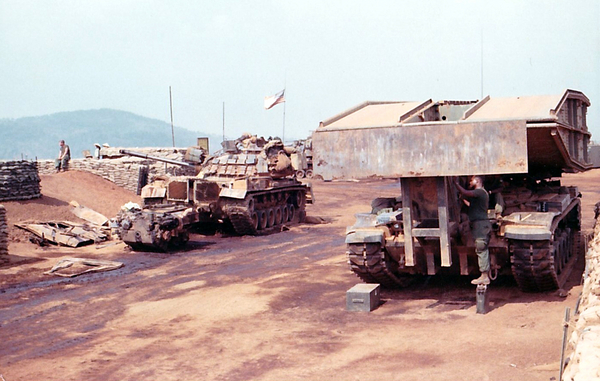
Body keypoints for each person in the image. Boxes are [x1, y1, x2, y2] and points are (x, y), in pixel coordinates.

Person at [454, 175, 492, 285]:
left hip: (480, 224)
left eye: (472, 180)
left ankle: (484, 276)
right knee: (480, 248)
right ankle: (484, 275)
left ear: (477, 181)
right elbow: (472, 205)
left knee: (481, 248)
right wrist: (463, 199)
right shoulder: (480, 194)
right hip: (479, 224)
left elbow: (466, 192)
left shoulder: (480, 191)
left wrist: (456, 184)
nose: (470, 181)